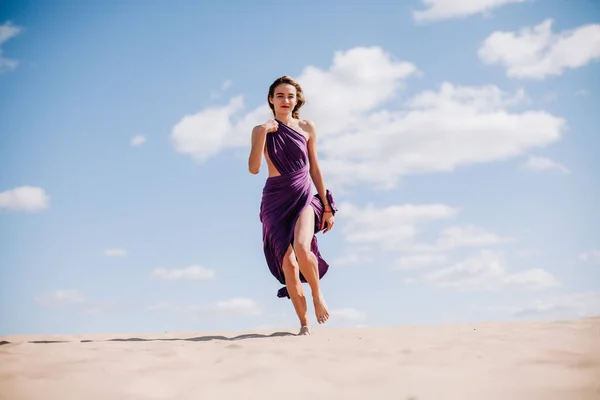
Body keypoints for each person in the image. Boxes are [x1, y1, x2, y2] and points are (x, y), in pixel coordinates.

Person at [248, 75, 337, 336]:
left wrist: (328, 206)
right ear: (270, 99)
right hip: (275, 200)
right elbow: (254, 169)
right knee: (288, 263)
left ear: (297, 100)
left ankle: (318, 295)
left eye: (290, 96)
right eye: (280, 96)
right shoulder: (260, 129)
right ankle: (304, 324)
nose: (286, 100)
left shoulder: (307, 127)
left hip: (303, 195)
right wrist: (264, 132)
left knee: (301, 245)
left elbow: (315, 168)